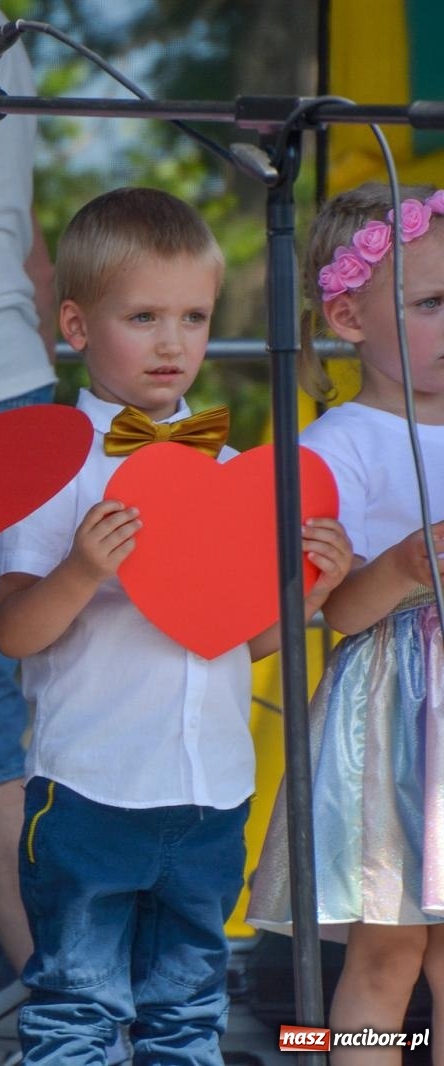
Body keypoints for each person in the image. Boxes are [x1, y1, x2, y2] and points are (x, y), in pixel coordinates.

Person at [0, 186, 352, 1064]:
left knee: (189, 1011)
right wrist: (81, 570)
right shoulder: (55, 463)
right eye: (142, 316)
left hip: (211, 795)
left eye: (193, 317)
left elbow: (241, 637)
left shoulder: (235, 472)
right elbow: (12, 633)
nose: (172, 342)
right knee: (76, 1008)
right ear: (75, 325)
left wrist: (307, 596)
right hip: (88, 792)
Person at [249, 183, 444, 1062]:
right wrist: (405, 567)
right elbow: (335, 613)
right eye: (432, 302)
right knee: (389, 945)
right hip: (393, 712)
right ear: (348, 315)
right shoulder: (339, 447)